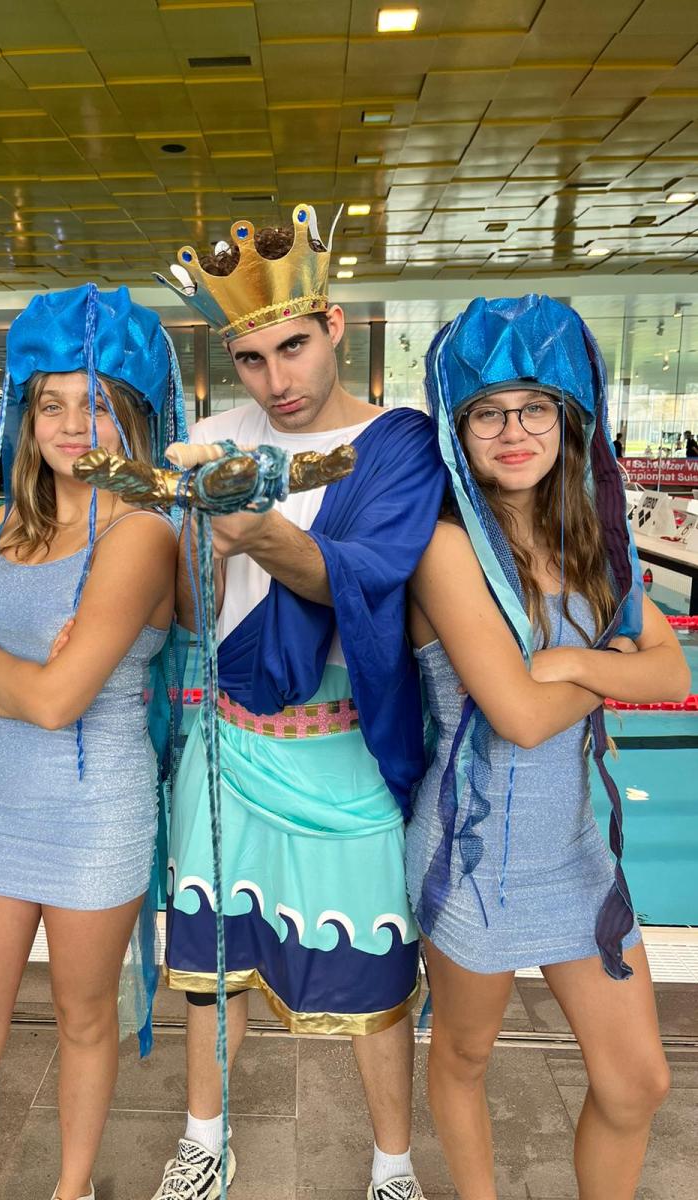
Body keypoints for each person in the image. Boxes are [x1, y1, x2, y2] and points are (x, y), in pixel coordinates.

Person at [152, 205, 444, 1200]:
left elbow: (360, 576)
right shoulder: (211, 439)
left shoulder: (397, 444)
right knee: (211, 957)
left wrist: (252, 525)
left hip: (344, 745)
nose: (275, 380)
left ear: (336, 328)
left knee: (376, 966)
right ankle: (203, 1141)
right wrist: (198, 540)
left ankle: (393, 1165)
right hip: (229, 741)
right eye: (250, 359)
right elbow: (189, 610)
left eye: (293, 348)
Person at [405, 295, 689, 1200]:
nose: (514, 431)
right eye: (487, 413)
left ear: (569, 420)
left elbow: (672, 669)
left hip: (573, 856)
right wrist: (611, 666)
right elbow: (520, 718)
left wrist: (568, 661)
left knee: (637, 1082)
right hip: (472, 855)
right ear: (459, 432)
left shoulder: (595, 541)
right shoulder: (446, 549)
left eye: (535, 408)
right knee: (464, 1054)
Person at [0, 284, 188, 1200]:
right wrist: (27, 677)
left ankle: (71, 1191)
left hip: (94, 814)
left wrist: (0, 668)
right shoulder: (10, 526)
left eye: (98, 404)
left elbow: (52, 701)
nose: (75, 426)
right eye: (53, 404)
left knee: (83, 1020)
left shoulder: (143, 535)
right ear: (27, 419)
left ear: (132, 418)